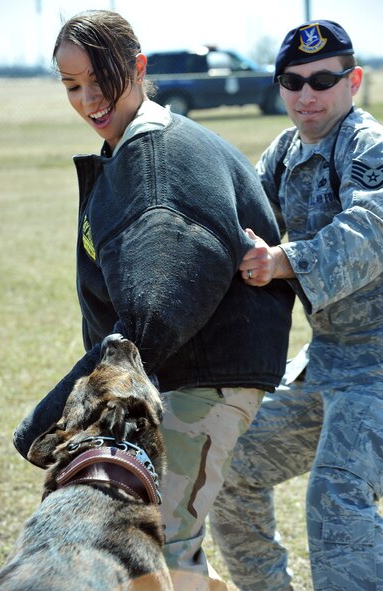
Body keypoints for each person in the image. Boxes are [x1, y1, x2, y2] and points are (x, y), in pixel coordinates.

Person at [12, 10, 295, 591]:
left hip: (200, 380)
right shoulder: (138, 145)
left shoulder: (154, 159)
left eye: (102, 79)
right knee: (167, 551)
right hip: (189, 375)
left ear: (139, 69)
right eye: (71, 85)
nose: (88, 98)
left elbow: (154, 312)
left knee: (157, 550)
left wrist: (48, 419)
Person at [210, 19, 383, 591]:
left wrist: (283, 261)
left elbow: (371, 231)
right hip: (327, 365)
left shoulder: (369, 146)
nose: (307, 94)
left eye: (323, 79)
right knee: (229, 467)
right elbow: (241, 226)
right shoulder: (283, 154)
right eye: (292, 81)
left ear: (353, 81)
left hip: (378, 371)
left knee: (336, 499)